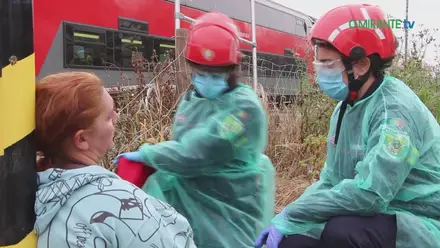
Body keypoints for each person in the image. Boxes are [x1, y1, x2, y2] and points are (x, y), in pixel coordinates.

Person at [255, 3, 440, 248]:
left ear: (361, 65)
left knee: (343, 232)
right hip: (371, 215)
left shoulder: (395, 113)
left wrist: (296, 214)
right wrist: (286, 217)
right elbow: (331, 179)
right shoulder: (347, 106)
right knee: (293, 241)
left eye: (328, 63)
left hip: (417, 220)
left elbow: (371, 195)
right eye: (318, 62)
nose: (319, 71)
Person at [115, 12, 275, 247]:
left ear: (232, 69)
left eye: (215, 74)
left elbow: (198, 152)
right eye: (200, 74)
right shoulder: (191, 100)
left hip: (229, 201)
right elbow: (182, 145)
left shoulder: (244, 108)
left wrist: (148, 154)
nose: (206, 80)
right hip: (191, 197)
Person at [34, 72, 196, 248]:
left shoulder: (29, 195)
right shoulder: (120, 202)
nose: (117, 118)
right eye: (109, 116)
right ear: (82, 140)